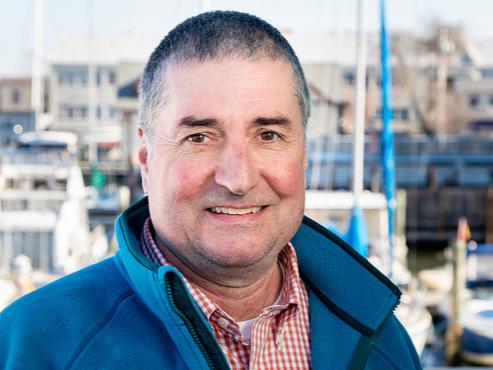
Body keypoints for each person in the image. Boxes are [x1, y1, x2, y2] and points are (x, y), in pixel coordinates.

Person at [0, 11, 422, 369]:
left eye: (269, 135)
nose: (237, 179)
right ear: (146, 160)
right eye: (199, 137)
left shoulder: (384, 344)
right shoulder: (34, 346)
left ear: (303, 154)